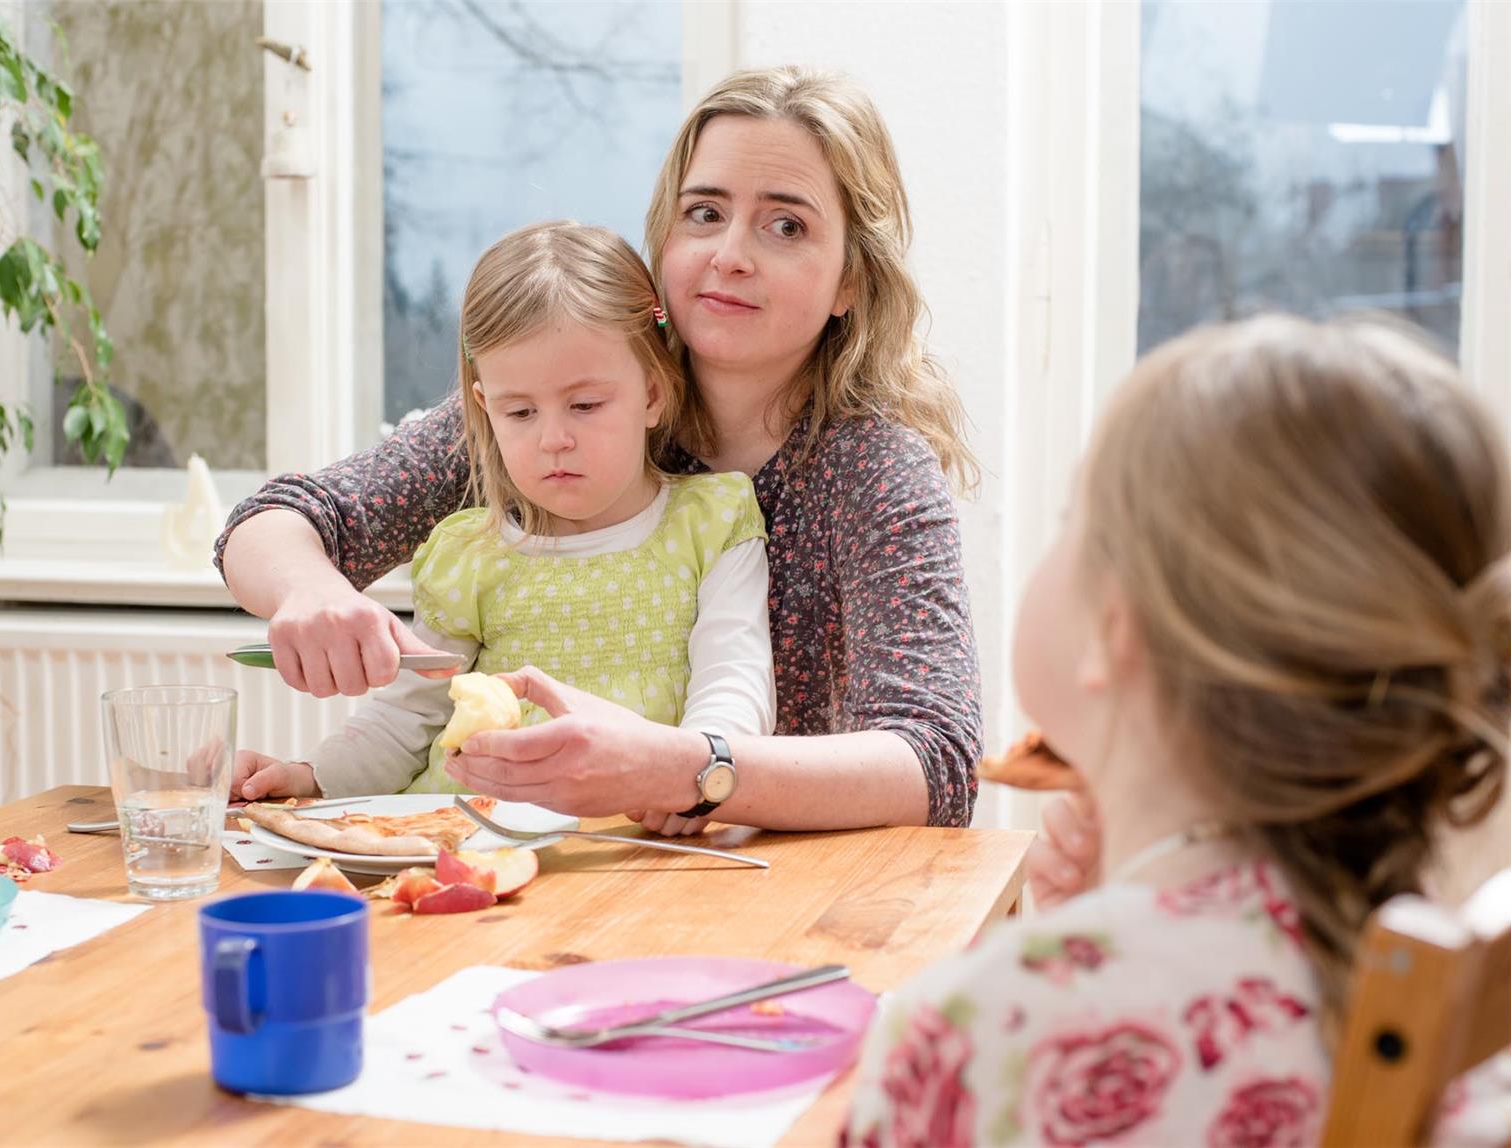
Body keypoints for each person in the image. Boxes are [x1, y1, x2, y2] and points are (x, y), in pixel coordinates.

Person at [216, 67, 983, 834]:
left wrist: (693, 771)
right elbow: (276, 521)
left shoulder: (876, 474)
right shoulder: (558, 399)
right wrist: (306, 590)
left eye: (787, 226)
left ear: (851, 278)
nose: (731, 254)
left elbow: (935, 763)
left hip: (763, 889)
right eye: (705, 213)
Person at [843, 315, 1511, 1146]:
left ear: (1112, 627)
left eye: (1068, 519)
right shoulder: (1424, 973)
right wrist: (1095, 918)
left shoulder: (978, 1028)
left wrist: (1075, 952)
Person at [229, 222, 773, 800]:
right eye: (519, 413)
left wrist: (690, 787)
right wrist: (311, 780)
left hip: (637, 831)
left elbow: (735, 682)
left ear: (653, 395)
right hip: (468, 831)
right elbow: (404, 722)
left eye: (585, 404)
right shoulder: (469, 554)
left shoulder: (712, 524)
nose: (553, 439)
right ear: (485, 408)